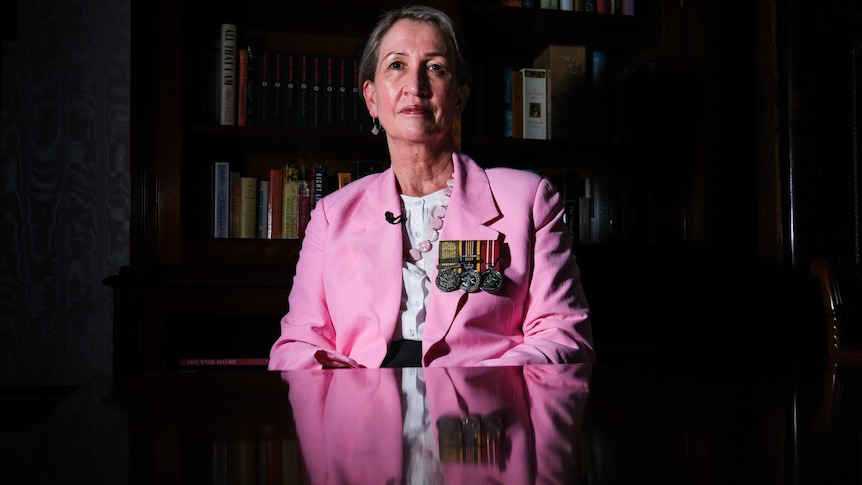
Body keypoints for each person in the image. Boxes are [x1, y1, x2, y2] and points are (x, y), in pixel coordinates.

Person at [268, 5, 594, 369]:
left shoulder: (528, 200)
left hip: (483, 415)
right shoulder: (332, 215)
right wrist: (349, 391)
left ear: (459, 97)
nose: (415, 86)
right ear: (371, 98)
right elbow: (296, 346)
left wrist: (477, 388)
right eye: (396, 65)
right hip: (364, 414)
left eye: (435, 67)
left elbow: (563, 335)